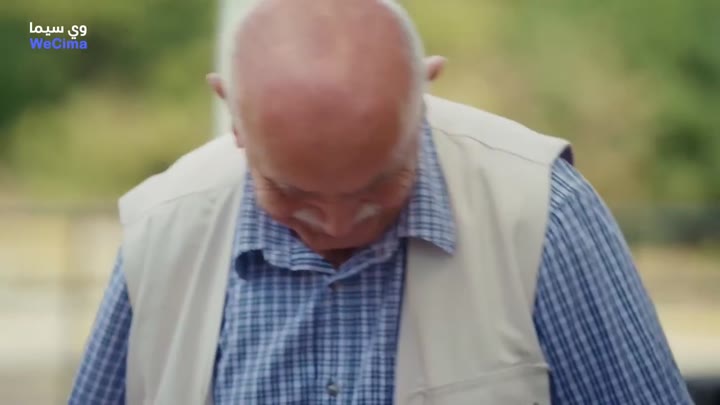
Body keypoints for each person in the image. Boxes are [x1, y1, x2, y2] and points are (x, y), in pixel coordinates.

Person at [68, 0, 694, 404]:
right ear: (232, 113)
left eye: (375, 186)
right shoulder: (162, 227)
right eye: (293, 193)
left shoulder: (542, 210)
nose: (337, 225)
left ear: (424, 91)